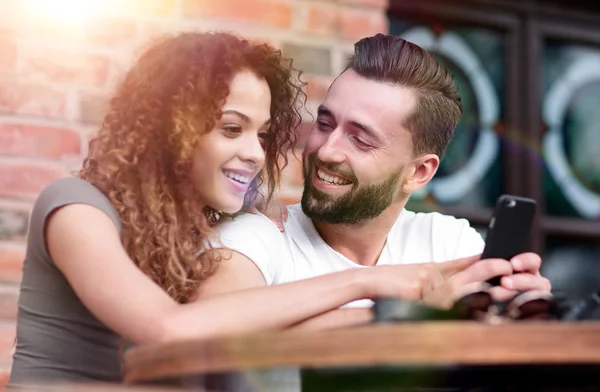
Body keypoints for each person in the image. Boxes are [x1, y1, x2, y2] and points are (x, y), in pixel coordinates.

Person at [8, 31, 497, 388]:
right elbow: (168, 332)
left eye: (261, 135)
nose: (253, 153)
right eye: (230, 128)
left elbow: (246, 343)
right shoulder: (75, 209)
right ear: (172, 128)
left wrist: (403, 313)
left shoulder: (198, 227)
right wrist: (368, 283)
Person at [198, 33, 552, 327]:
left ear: (419, 173)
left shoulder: (445, 243)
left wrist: (523, 315)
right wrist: (412, 315)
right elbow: (209, 339)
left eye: (361, 139)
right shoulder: (256, 239)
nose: (327, 151)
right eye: (325, 124)